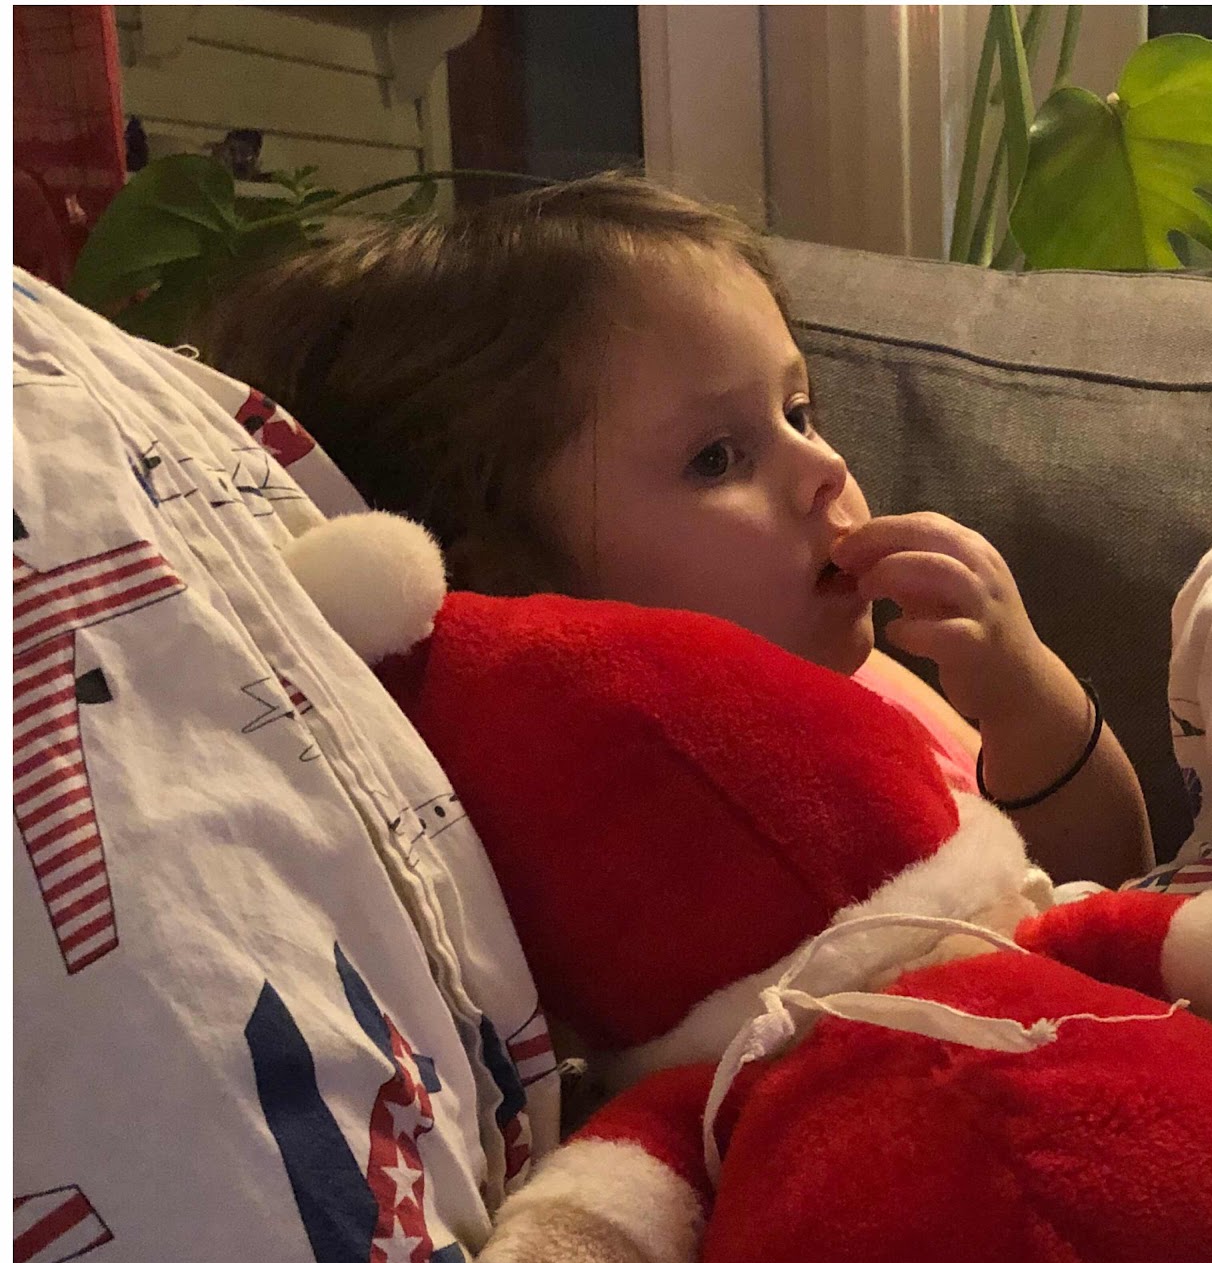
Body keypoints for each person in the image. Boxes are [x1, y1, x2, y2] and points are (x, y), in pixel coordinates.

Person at [196, 173, 1152, 888]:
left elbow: (1114, 880)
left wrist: (1026, 694)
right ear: (517, 585)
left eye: (800, 412)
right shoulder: (608, 827)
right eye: (717, 458)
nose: (824, 469)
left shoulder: (870, 677)